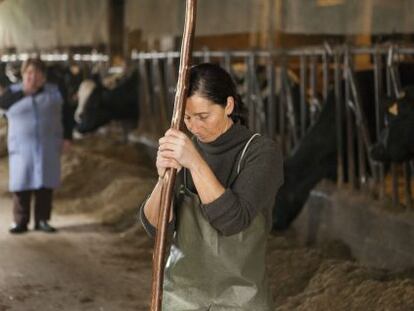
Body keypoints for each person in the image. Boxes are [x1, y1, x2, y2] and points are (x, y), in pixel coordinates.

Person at [140, 63, 284, 310]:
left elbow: (232, 221)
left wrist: (194, 162)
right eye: (187, 118)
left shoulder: (260, 153)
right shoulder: (183, 152)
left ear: (228, 106)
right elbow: (156, 228)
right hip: (181, 297)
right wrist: (163, 179)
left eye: (203, 116)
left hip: (240, 299)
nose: (194, 127)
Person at [0, 58, 71, 234]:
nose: (33, 77)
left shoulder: (54, 92)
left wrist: (67, 137)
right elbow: (2, 105)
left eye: (37, 73)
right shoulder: (12, 92)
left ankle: (42, 220)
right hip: (22, 147)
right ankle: (20, 221)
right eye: (29, 72)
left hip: (48, 144)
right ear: (23, 74)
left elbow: (67, 113)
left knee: (45, 184)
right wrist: (25, 92)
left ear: (43, 77)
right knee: (21, 184)